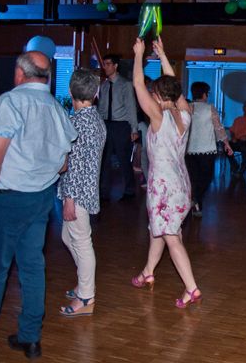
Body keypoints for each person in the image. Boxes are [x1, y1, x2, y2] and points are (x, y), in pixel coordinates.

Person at [0, 51, 77, 359]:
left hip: (7, 200)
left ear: (19, 74)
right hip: (40, 199)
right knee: (33, 268)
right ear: (46, 77)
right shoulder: (56, 108)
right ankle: (30, 339)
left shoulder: (10, 102)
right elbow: (63, 164)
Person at [130, 37, 202, 308]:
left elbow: (138, 85)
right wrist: (162, 55)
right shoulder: (185, 113)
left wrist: (139, 55)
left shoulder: (158, 118)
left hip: (163, 187)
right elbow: (175, 87)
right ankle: (148, 272)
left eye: (154, 93)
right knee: (159, 230)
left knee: (173, 238)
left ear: (158, 96)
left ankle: (192, 288)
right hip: (182, 184)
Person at [58, 69, 107, 317]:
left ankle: (86, 297)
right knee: (68, 238)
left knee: (81, 242)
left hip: (76, 193)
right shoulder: (96, 119)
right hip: (86, 190)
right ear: (96, 93)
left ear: (70, 92)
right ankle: (85, 282)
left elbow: (73, 165)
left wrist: (69, 199)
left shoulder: (76, 123)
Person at [185, 81, 233, 217]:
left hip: (189, 149)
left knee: (194, 179)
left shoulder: (187, 107)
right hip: (206, 149)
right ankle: (195, 201)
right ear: (204, 94)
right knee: (207, 177)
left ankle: (196, 205)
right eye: (208, 92)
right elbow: (218, 127)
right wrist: (226, 143)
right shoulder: (210, 108)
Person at [98, 54, 139, 200]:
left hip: (121, 125)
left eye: (108, 64)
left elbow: (130, 107)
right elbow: (101, 107)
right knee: (104, 160)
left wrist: (134, 128)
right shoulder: (103, 85)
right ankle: (103, 191)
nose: (105, 67)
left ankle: (129, 190)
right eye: (104, 64)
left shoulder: (125, 84)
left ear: (115, 66)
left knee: (123, 159)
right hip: (106, 124)